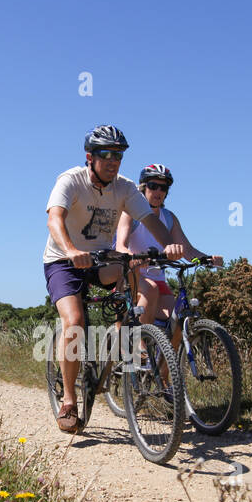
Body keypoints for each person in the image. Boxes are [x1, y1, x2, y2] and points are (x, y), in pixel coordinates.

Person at [43, 126, 186, 432]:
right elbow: (55, 219)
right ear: (89, 157)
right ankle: (69, 401)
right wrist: (70, 250)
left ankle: (125, 341)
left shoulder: (125, 188)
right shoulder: (70, 180)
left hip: (103, 260)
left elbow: (151, 221)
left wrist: (168, 247)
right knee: (76, 321)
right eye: (105, 154)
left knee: (133, 272)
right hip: (64, 260)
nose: (113, 161)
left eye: (118, 155)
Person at [114, 164, 223, 345]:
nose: (158, 191)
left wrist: (208, 259)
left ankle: (164, 370)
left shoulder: (169, 217)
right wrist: (136, 258)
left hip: (159, 280)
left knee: (178, 319)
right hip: (133, 278)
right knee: (151, 291)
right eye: (153, 186)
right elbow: (120, 246)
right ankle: (141, 354)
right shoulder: (130, 213)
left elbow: (187, 250)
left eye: (163, 187)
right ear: (143, 187)